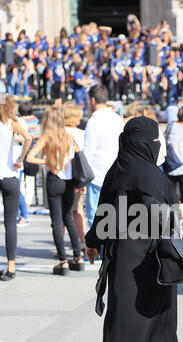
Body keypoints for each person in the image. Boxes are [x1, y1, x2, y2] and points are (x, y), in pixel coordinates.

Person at [85, 116, 183, 342]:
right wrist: (182, 212)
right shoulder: (149, 173)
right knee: (143, 318)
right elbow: (154, 213)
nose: (156, 146)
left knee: (126, 317)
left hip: (123, 257)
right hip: (147, 259)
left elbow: (104, 210)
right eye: (154, 141)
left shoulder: (118, 168)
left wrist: (92, 243)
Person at [26, 106, 84, 276]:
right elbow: (78, 158)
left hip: (54, 180)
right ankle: (77, 257)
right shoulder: (69, 137)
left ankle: (62, 261)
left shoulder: (46, 137)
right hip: (69, 181)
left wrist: (47, 162)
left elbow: (30, 157)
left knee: (57, 221)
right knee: (69, 218)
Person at [0, 93, 32, 281]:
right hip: (10, 174)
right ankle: (11, 267)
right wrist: (20, 158)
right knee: (10, 222)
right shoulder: (11, 123)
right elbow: (28, 137)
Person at [84, 84, 124, 228]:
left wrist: (82, 178)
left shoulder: (93, 122)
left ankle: (97, 249)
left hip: (97, 175)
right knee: (113, 215)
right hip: (116, 174)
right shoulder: (118, 119)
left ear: (92, 100)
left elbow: (88, 152)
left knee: (94, 215)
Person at [62, 102, 86, 252]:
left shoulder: (59, 132)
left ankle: (60, 245)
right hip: (76, 177)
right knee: (77, 211)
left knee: (60, 213)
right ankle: (83, 242)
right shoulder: (82, 134)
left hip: (59, 176)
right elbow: (84, 159)